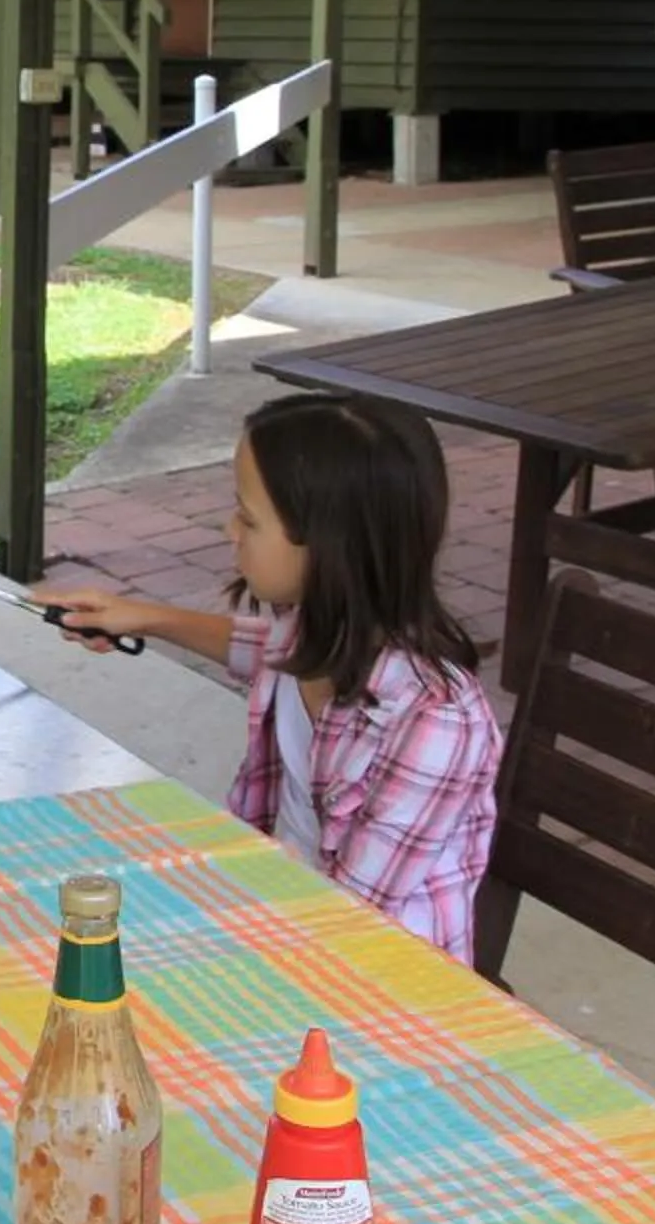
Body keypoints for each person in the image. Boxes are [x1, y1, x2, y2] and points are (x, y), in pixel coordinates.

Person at [34, 396, 498, 962]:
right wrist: (143, 617)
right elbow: (260, 649)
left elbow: (352, 923)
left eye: (249, 518)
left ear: (327, 547)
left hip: (379, 977)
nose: (229, 529)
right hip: (284, 909)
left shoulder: (434, 722)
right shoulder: (311, 628)